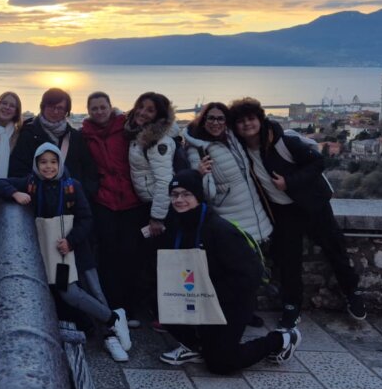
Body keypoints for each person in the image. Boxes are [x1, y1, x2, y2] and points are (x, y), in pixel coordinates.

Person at [228, 97, 366, 327]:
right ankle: (292, 305)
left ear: (260, 119)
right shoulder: (241, 150)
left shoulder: (282, 141)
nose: (247, 124)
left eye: (251, 119)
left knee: (335, 250)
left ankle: (352, 293)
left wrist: (289, 182)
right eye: (241, 121)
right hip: (284, 212)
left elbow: (317, 163)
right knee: (288, 260)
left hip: (313, 204)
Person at [0, 143, 133, 361]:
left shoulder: (72, 187)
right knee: (68, 293)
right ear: (36, 164)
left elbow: (86, 218)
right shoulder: (30, 184)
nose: (48, 167)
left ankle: (110, 334)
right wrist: (15, 193)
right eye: (43, 162)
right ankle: (113, 319)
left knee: (94, 291)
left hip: (76, 251)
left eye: (53, 161)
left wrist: (71, 240)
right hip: (51, 253)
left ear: (59, 163)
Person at [158, 170, 301, 374]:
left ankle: (281, 339)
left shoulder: (219, 230)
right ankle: (196, 346)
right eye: (175, 194)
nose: (179, 200)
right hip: (197, 294)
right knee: (160, 300)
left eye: (186, 194)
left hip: (231, 300)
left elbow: (250, 274)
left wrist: (213, 299)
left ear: (198, 196)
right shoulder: (175, 224)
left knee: (221, 363)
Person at [81, 92, 146, 327]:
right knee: (108, 255)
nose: (99, 112)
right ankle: (113, 306)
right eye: (94, 108)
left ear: (110, 107)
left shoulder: (126, 128)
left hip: (131, 199)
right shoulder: (84, 135)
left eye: (102, 107)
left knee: (131, 254)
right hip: (104, 200)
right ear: (88, 111)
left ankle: (131, 307)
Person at [182, 102, 273, 245]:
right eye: (211, 118)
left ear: (226, 121)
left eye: (220, 118)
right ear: (203, 120)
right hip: (232, 220)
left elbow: (259, 130)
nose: (215, 123)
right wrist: (201, 175)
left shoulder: (232, 138)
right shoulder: (197, 150)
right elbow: (208, 195)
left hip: (259, 219)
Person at [126, 92, 180, 327]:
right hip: (146, 204)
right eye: (140, 107)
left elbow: (164, 182)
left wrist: (157, 217)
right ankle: (153, 309)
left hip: (157, 208)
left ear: (159, 116)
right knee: (146, 260)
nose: (142, 112)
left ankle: (163, 314)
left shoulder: (159, 141)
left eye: (150, 110)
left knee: (158, 261)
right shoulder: (139, 134)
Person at [9, 88, 97, 199]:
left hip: (70, 200)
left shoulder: (75, 137)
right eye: (51, 107)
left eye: (60, 108)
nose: (55, 112)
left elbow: (88, 169)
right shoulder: (28, 134)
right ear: (43, 107)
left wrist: (83, 194)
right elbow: (17, 169)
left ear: (66, 111)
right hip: (37, 200)